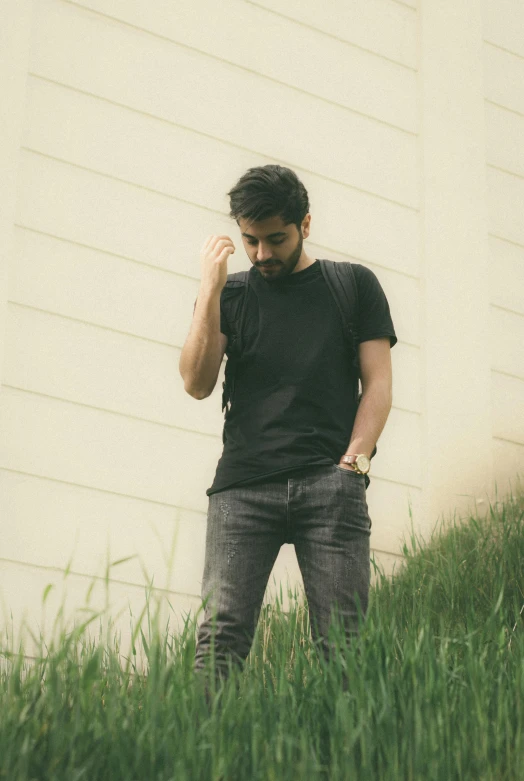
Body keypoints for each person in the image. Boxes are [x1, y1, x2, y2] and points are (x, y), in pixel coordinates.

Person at [179, 164, 397, 692]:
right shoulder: (229, 295)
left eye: (275, 239)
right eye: (249, 240)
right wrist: (209, 293)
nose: (261, 255)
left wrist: (355, 463)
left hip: (331, 486)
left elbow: (379, 384)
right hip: (242, 489)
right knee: (220, 640)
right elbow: (196, 381)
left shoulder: (353, 285)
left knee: (345, 647)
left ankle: (350, 762)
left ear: (305, 223)